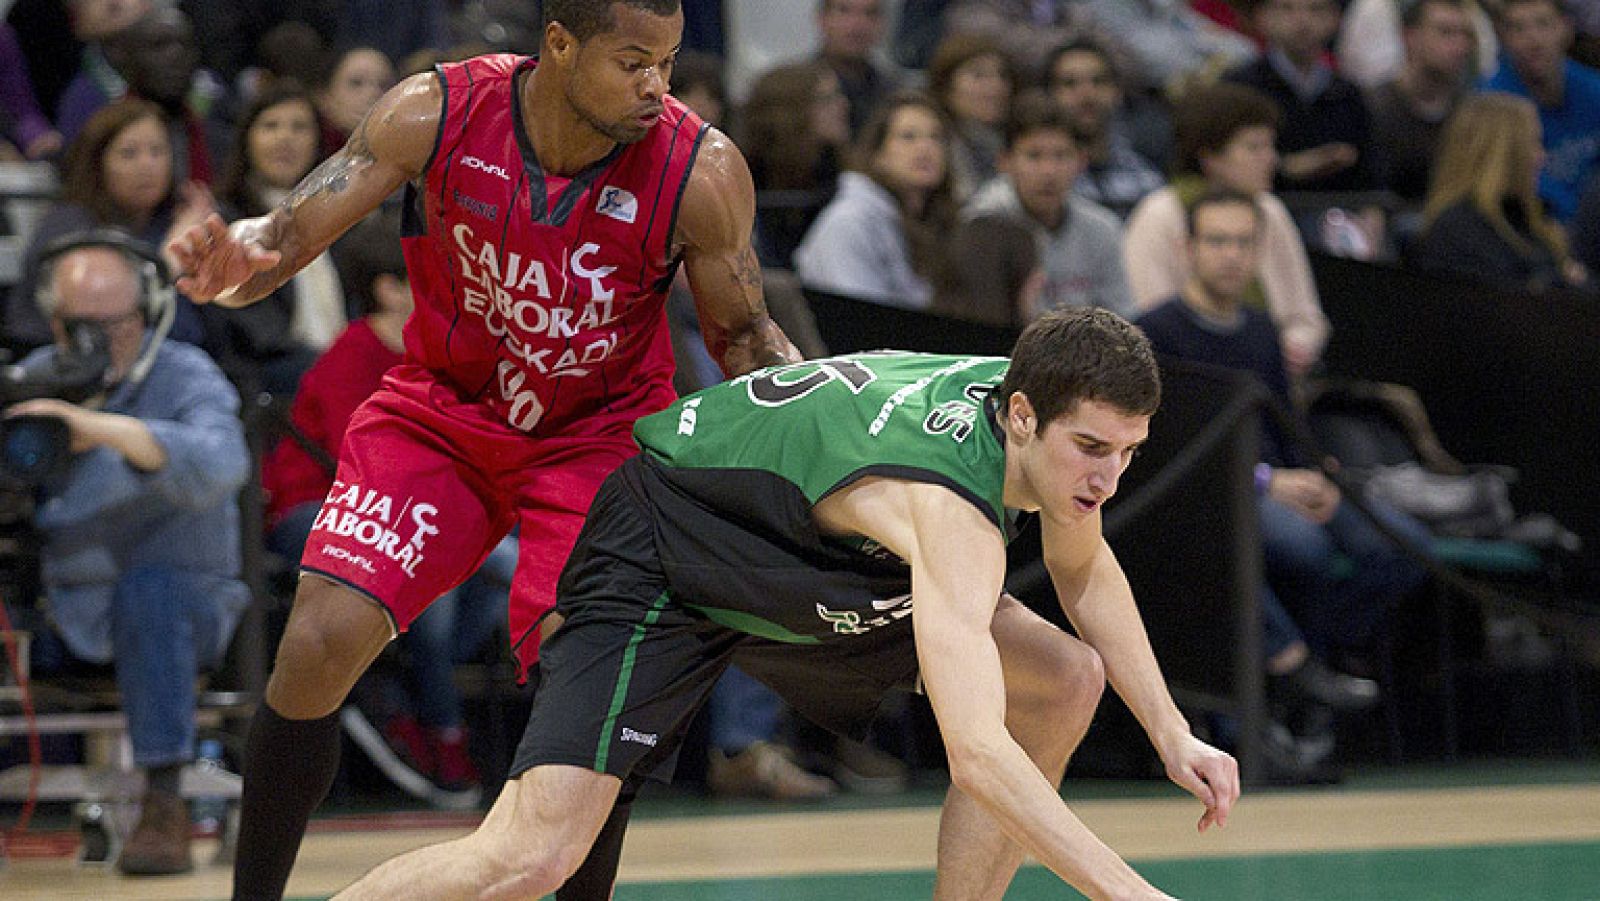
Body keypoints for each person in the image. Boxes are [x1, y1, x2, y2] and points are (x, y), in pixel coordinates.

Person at [167, 1, 801, 898]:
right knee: (317, 639)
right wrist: (238, 259)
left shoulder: (702, 169)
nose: (656, 85)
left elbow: (742, 337)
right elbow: (285, 235)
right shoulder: (435, 111)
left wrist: (813, 402)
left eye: (666, 61)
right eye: (632, 62)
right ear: (559, 45)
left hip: (598, 437)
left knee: (586, 682)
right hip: (443, 411)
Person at [329, 307, 1240, 901]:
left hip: (818, 560)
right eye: (1093, 448)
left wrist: (1169, 731)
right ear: (1023, 416)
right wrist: (1130, 890)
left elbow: (1082, 567)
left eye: (1128, 452)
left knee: (1064, 676)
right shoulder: (950, 502)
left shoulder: (1033, 412)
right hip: (673, 548)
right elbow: (977, 756)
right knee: (527, 857)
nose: (1109, 476)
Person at [6, 232, 250, 875]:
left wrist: (103, 431)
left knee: (151, 588)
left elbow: (226, 463)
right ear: (55, 322)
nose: (99, 340)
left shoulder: (184, 373)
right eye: (80, 325)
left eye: (116, 323)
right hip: (64, 607)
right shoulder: (32, 382)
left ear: (145, 311)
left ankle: (164, 801)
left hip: (181, 608)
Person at [1137, 189, 1430, 688]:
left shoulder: (1261, 329)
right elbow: (1166, 446)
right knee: (1304, 548)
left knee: (1405, 547)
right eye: (1217, 241)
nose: (1231, 255)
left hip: (1290, 478)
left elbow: (1286, 418)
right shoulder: (1154, 333)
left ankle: (1312, 658)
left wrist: (1318, 473)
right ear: (1188, 249)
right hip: (1215, 489)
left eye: (1243, 243)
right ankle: (1298, 674)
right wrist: (1267, 482)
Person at [1122, 81, 1330, 378]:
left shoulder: (1271, 211)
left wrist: (1295, 346)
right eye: (1254, 147)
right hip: (1189, 373)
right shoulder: (1159, 214)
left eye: (1270, 146)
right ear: (1210, 157)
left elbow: (1305, 315)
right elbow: (1149, 323)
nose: (1271, 158)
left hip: (1274, 366)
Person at [6, 100, 214, 353]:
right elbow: (106, 329)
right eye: (129, 153)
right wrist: (167, 262)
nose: (147, 165)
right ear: (98, 163)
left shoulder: (173, 221)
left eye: (158, 151)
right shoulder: (70, 229)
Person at [210, 82, 344, 394]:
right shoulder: (228, 220)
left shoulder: (340, 218)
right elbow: (257, 333)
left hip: (330, 366)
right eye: (271, 126)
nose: (286, 138)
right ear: (247, 139)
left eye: (300, 128)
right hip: (265, 377)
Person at [962, 90, 1134, 323]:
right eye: (1034, 156)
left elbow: (1122, 321)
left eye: (1061, 156)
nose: (1048, 171)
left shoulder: (1102, 228)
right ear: (1005, 162)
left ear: (1081, 161)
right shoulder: (981, 225)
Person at [794, 90, 957, 309]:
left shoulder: (938, 221)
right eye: (908, 137)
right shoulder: (849, 221)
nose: (926, 148)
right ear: (878, 155)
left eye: (936, 138)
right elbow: (859, 319)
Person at [1411, 92, 1589, 291]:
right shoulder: (1456, 231)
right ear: (1503, 156)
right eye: (1533, 144)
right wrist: (1564, 284)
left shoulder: (1527, 220)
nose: (1541, 157)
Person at [1224, 0, 1383, 193]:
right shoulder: (1239, 87)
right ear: (1262, 17)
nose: (1302, 21)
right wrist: (1286, 167)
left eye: (1316, 9)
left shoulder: (1348, 93)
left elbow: (1371, 168)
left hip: (1338, 210)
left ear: (1336, 19)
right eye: (1286, 8)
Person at [1480, 0, 1600, 222]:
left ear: (1566, 28)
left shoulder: (1593, 88)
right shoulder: (1490, 106)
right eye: (1518, 28)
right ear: (1502, 37)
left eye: (1543, 24)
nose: (1533, 40)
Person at [1364, 0, 1478, 206]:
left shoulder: (1472, 111)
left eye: (1465, 34)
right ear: (1410, 37)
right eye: (1445, 32)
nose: (1460, 46)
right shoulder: (1373, 108)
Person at [1044, 38, 1167, 221]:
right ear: (1050, 95)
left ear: (1117, 92)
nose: (1086, 94)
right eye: (1070, 83)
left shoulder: (1146, 178)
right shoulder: (1040, 180)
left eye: (1098, 81)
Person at [926, 31, 1016, 204]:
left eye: (1002, 75)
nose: (996, 86)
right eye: (979, 76)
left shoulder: (1006, 139)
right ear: (946, 85)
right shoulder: (935, 142)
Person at [813, 0, 901, 136]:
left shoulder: (895, 93)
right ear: (822, 18)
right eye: (844, 10)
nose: (858, 24)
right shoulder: (795, 89)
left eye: (870, 13)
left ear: (883, 23)